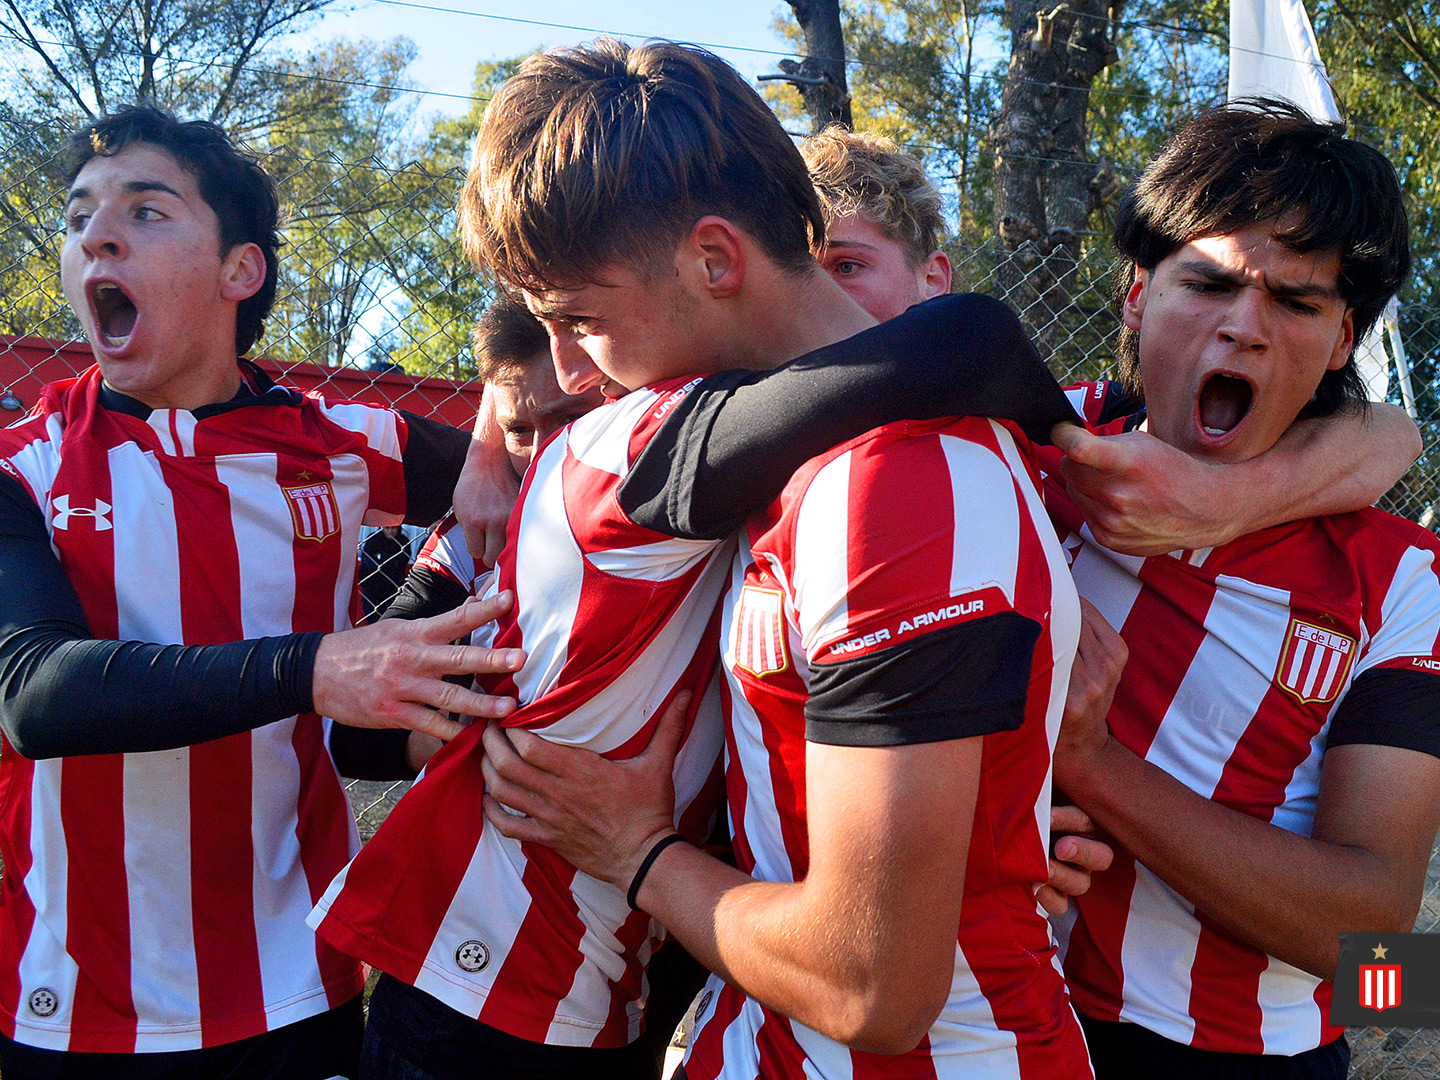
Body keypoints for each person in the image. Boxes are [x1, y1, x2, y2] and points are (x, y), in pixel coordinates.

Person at [309, 37, 1099, 1080]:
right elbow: (959, 345)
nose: (568, 371)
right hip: (615, 994)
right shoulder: (709, 453)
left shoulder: (887, 483)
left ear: (715, 260)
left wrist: (641, 854)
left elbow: (874, 986)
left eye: (580, 320)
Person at [0, 105, 524, 1080]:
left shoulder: (337, 444)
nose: (95, 234)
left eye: (146, 211)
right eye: (80, 216)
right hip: (71, 1004)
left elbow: (564, 467)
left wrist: (493, 438)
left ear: (241, 271)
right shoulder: (21, 469)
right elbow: (36, 694)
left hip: (296, 986)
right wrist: (321, 668)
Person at [1042, 100, 1440, 1080]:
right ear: (1137, 294)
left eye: (1295, 304)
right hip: (1013, 1010)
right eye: (1208, 282)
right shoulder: (1033, 454)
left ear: (1343, 339)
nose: (1244, 328)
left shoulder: (1403, 580)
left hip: (1258, 1052)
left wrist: (1091, 770)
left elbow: (1381, 938)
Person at [360, 524, 412, 621]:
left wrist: (380, 557)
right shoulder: (373, 539)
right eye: (387, 528)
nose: (390, 531)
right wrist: (389, 560)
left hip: (393, 585)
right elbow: (368, 560)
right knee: (372, 616)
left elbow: (401, 561)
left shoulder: (403, 542)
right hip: (373, 585)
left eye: (393, 528)